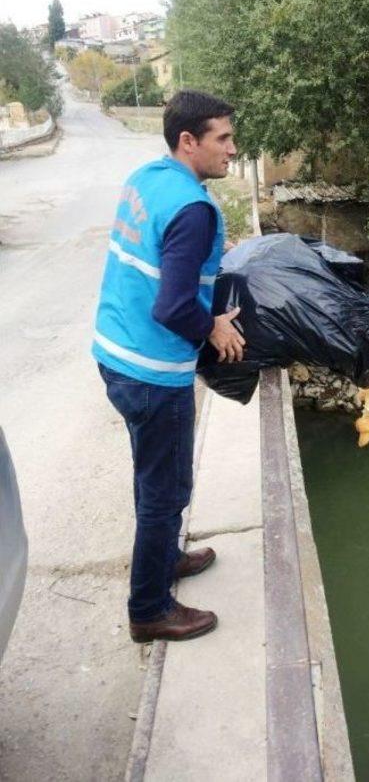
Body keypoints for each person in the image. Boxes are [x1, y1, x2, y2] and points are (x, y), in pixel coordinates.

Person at [92, 89, 245, 643]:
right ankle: (150, 608)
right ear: (189, 141)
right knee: (167, 491)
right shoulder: (194, 209)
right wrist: (216, 326)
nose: (232, 149)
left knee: (150, 475)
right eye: (222, 138)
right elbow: (175, 306)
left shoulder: (148, 178)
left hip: (115, 353)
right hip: (152, 372)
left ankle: (164, 558)